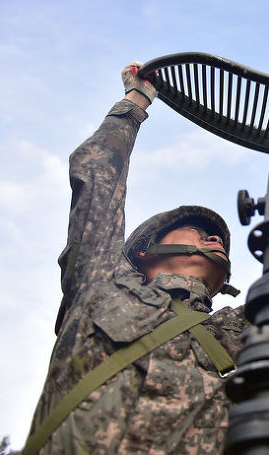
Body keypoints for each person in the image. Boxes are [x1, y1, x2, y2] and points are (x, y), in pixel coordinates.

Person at [24, 62, 249, 454]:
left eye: (218, 240)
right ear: (144, 251)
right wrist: (137, 99)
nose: (214, 238)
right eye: (197, 230)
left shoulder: (228, 333)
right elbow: (98, 175)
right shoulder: (102, 283)